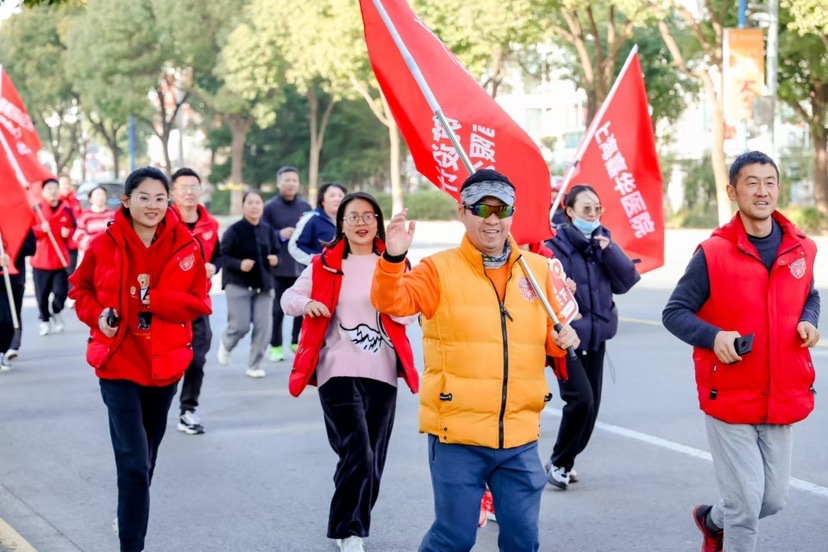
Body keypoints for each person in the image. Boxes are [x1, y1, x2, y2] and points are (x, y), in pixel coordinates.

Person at [371, 169, 580, 552]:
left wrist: (560, 339)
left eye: (503, 209)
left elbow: (549, 342)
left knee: (522, 539)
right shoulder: (438, 269)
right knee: (454, 538)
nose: (493, 219)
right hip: (457, 435)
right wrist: (392, 258)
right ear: (463, 212)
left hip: (518, 435)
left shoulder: (538, 270)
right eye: (482, 208)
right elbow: (390, 301)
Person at [662, 151, 820, 552]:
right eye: (752, 183)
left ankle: (712, 520)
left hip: (782, 393)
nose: (762, 191)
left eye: (769, 182)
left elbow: (810, 296)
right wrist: (714, 337)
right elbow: (674, 312)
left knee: (773, 499)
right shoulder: (713, 254)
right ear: (733, 191)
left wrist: (809, 320)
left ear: (778, 188)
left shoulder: (801, 249)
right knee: (747, 508)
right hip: (730, 395)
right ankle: (728, 526)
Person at [68, 166, 210, 552]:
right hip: (118, 364)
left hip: (164, 368)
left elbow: (201, 301)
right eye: (143, 197)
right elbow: (78, 289)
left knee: (146, 459)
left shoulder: (186, 245)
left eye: (160, 198)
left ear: (170, 202)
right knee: (132, 462)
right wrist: (99, 315)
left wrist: (159, 301)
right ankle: (132, 543)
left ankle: (129, 509)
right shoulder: (102, 245)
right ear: (126, 201)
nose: (152, 205)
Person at [282, 192, 419, 552]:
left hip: (382, 371)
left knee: (372, 457)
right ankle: (347, 530)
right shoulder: (324, 264)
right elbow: (288, 299)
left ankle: (355, 520)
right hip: (337, 367)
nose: (361, 223)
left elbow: (409, 313)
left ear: (378, 221)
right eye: (353, 217)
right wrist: (308, 303)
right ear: (340, 223)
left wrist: (397, 266)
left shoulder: (394, 263)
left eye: (368, 216)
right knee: (357, 448)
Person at [542, 184, 640, 489]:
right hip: (567, 339)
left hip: (596, 337)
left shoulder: (602, 242)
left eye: (598, 209)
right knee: (580, 401)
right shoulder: (555, 246)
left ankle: (566, 462)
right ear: (569, 212)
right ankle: (558, 462)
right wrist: (567, 297)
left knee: (592, 407)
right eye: (586, 209)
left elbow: (626, 281)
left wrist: (608, 250)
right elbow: (547, 288)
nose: (593, 214)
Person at [170, 168, 222, 435]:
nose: (189, 192)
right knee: (165, 358)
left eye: (194, 187)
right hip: (167, 303)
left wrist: (214, 266)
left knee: (197, 358)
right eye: (183, 187)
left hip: (197, 301)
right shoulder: (163, 221)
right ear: (173, 192)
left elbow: (218, 256)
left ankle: (187, 409)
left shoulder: (210, 225)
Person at [217, 190, 280, 378]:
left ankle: (254, 366)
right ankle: (227, 343)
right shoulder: (234, 230)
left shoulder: (268, 230)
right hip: (238, 284)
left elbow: (277, 251)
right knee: (240, 326)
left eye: (258, 203)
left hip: (264, 285)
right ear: (243, 206)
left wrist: (275, 259)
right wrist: (239, 264)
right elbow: (222, 256)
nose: (254, 206)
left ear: (262, 206)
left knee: (264, 328)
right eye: (250, 203)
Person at [262, 166, 312, 362]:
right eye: (286, 180)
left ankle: (295, 340)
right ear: (278, 183)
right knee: (277, 308)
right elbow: (262, 234)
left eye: (294, 180)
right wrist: (279, 235)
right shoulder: (270, 207)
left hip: (301, 266)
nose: (290, 184)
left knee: (301, 306)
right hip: (279, 266)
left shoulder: (305, 207)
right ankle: (275, 345)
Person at [31, 178, 76, 336]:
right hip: (40, 261)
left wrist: (68, 232)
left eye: (55, 187)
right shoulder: (37, 209)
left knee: (61, 293)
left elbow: (73, 226)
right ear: (43, 192)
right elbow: (29, 232)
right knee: (41, 296)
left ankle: (56, 311)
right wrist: (40, 229)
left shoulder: (66, 209)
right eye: (49, 188)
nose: (53, 191)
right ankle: (44, 320)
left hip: (60, 260)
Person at [0, 230, 36, 371]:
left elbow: (31, 247)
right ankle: (3, 350)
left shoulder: (20, 221)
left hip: (15, 279)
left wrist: (13, 249)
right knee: (2, 318)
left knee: (11, 317)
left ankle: (9, 347)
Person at [287, 181, 347, 266]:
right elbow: (295, 246)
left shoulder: (350, 220)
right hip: (318, 273)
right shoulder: (311, 219)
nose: (337, 199)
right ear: (322, 200)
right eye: (332, 195)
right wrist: (318, 260)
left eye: (340, 196)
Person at [74, 186, 114, 254]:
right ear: (90, 199)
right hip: (91, 253)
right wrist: (96, 242)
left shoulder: (112, 215)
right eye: (97, 195)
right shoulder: (85, 215)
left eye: (103, 195)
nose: (100, 197)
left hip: (109, 253)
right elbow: (78, 235)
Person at [59, 175, 83, 278]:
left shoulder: (75, 201)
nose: (66, 186)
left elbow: (80, 220)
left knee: (71, 272)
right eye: (63, 184)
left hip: (73, 242)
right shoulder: (57, 202)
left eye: (68, 183)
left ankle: (69, 293)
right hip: (59, 243)